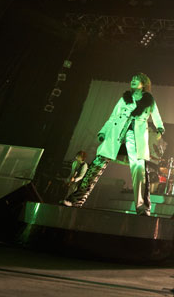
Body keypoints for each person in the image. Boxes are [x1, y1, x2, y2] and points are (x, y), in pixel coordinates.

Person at [64, 73, 164, 215]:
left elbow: (157, 117)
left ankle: (143, 208)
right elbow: (113, 116)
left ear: (144, 83)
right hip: (116, 133)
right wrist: (103, 131)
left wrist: (160, 129)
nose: (133, 81)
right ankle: (76, 200)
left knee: (139, 170)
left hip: (136, 136)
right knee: (97, 165)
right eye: (132, 79)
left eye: (136, 79)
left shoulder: (149, 100)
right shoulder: (125, 98)